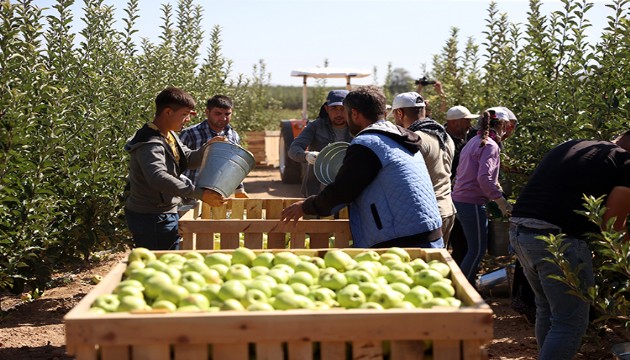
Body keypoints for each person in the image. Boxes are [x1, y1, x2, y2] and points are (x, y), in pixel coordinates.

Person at [509, 130, 630, 360]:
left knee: (548, 310)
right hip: (558, 240)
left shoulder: (573, 145)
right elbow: (612, 227)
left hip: (520, 232)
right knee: (571, 322)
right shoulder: (626, 162)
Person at [281, 86, 443, 248]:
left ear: (355, 114)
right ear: (384, 113)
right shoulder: (399, 137)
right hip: (428, 233)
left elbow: (342, 191)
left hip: (401, 239)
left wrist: (305, 206)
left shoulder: (368, 143)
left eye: (344, 111)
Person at [124, 86, 226, 250]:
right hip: (151, 216)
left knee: (168, 261)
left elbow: (187, 158)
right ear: (168, 112)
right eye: (184, 114)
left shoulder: (169, 135)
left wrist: (208, 148)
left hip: (164, 212)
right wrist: (199, 193)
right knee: (160, 265)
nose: (188, 119)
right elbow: (158, 177)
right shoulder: (150, 142)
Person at [451, 108, 513, 283]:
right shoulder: (490, 146)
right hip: (471, 202)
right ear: (502, 125)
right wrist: (500, 201)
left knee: (471, 248)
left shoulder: (474, 141)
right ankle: (463, 290)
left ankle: (462, 286)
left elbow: (467, 171)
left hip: (460, 199)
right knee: (476, 250)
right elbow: (484, 178)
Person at [390, 92, 456, 243]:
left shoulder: (414, 140)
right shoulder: (444, 136)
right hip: (447, 209)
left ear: (399, 113)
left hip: (428, 215)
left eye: (394, 115)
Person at [180, 95, 248, 198]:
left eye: (227, 114)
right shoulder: (190, 134)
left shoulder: (233, 135)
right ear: (207, 112)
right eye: (218, 114)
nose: (223, 118)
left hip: (218, 196)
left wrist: (239, 189)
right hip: (191, 196)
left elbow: (234, 165)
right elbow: (177, 164)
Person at [288, 90, 353, 197]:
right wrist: (307, 156)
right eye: (334, 109)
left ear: (349, 109)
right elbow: (293, 149)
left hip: (349, 187)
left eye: (342, 109)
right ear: (326, 109)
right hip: (316, 189)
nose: (338, 113)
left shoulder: (358, 127)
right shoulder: (315, 126)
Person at [444, 105, 478, 264]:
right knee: (456, 244)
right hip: (449, 200)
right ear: (455, 123)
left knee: (462, 246)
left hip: (459, 200)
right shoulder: (444, 142)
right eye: (466, 122)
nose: (469, 126)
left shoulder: (465, 139)